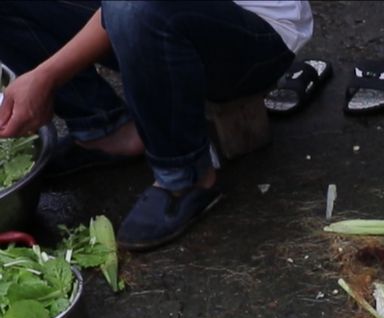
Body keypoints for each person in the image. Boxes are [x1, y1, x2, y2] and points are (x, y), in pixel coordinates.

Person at [0, 1, 312, 251]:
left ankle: (185, 177)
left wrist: (45, 76)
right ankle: (104, 129)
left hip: (256, 34)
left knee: (134, 10)